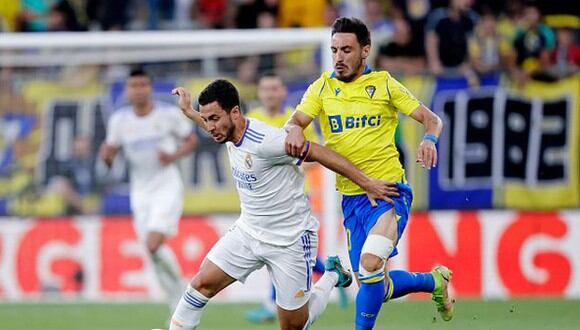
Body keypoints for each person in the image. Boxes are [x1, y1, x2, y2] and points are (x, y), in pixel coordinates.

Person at [169, 79, 399, 330]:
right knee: (200, 286)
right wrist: (188, 112)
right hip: (248, 232)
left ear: (235, 112)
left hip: (290, 240)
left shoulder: (268, 142)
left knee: (293, 326)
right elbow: (212, 125)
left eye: (214, 118)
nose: (210, 127)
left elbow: (321, 153)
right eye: (206, 119)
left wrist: (367, 183)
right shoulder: (226, 131)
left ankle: (332, 275)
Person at [284, 17, 452, 330]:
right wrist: (294, 129)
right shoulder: (322, 88)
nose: (338, 56)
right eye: (334, 49)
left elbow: (432, 120)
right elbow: (295, 121)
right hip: (351, 199)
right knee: (375, 285)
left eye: (346, 49)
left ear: (365, 51)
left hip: (388, 192)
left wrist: (429, 139)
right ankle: (433, 281)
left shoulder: (385, 84)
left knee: (370, 263)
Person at [244, 72, 349, 324]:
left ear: (283, 91)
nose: (270, 93)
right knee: (277, 252)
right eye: (266, 89)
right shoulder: (252, 120)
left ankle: (280, 301)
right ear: (260, 93)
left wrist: (291, 165)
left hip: (293, 198)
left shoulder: (298, 119)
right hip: (264, 199)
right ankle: (330, 275)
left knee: (286, 252)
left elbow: (316, 155)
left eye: (275, 88)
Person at [99, 69, 197, 310]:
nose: (139, 89)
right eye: (134, 85)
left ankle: (184, 296)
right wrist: (107, 157)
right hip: (140, 191)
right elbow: (110, 154)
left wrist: (173, 155)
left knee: (153, 244)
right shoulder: (119, 120)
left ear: (150, 88)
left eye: (143, 84)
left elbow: (191, 139)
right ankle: (178, 303)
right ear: (127, 90)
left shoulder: (167, 115)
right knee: (153, 253)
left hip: (166, 186)